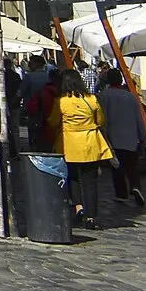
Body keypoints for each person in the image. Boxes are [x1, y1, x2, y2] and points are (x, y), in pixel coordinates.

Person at [54, 68, 115, 228]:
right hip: (90, 143)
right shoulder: (91, 99)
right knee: (90, 181)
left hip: (70, 144)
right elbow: (101, 120)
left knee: (73, 178)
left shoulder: (61, 102)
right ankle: (91, 217)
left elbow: (54, 122)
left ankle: (78, 207)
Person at [97, 66, 146, 207]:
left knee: (117, 167)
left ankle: (121, 194)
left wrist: (103, 136)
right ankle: (135, 186)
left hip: (114, 136)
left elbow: (102, 118)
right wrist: (142, 137)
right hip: (131, 136)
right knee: (132, 166)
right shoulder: (131, 96)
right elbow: (139, 118)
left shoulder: (104, 96)